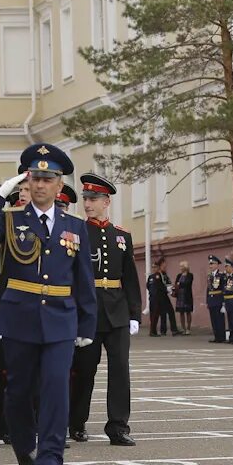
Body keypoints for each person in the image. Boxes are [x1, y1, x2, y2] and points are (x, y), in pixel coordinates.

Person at [0, 143, 97, 465]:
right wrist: (0, 195)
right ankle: (25, 446)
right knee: (19, 390)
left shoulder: (75, 227)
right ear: (26, 183)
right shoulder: (11, 220)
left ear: (59, 186)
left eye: (48, 179)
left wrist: (87, 321)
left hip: (60, 318)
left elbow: (83, 278)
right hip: (20, 318)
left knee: (56, 387)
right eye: (35, 178)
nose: (41, 185)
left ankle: (51, 458)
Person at [68, 173, 140, 446]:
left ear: (106, 201)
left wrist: (134, 313)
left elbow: (130, 277)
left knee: (120, 368)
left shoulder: (121, 236)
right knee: (85, 369)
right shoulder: (76, 232)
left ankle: (118, 426)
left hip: (118, 310)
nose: (87, 203)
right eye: (86, 198)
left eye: (93, 199)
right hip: (87, 310)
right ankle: (76, 421)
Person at [205, 255, 227, 343]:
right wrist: (207, 301)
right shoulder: (209, 276)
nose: (210, 266)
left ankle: (221, 337)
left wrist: (223, 302)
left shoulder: (221, 275)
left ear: (217, 265)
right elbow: (208, 289)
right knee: (213, 319)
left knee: (219, 319)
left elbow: (223, 289)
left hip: (218, 299)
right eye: (210, 264)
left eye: (212, 264)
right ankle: (216, 336)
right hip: (211, 300)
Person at [174, 261, 195, 334]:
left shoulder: (190, 275)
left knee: (188, 312)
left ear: (185, 267)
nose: (180, 268)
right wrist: (178, 285)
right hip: (180, 296)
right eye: (180, 266)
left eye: (182, 266)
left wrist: (180, 284)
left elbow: (188, 283)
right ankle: (183, 328)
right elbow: (176, 284)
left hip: (187, 296)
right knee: (181, 312)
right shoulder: (179, 275)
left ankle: (188, 328)